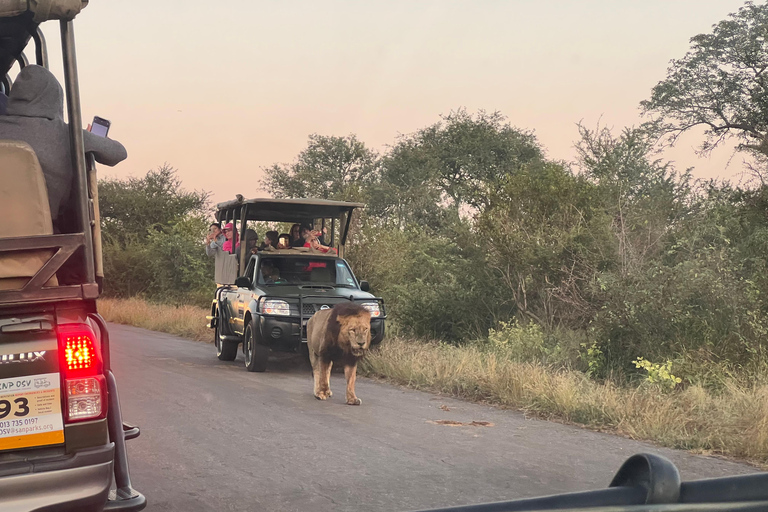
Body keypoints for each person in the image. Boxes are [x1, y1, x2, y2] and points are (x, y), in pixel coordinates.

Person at [0, 65, 127, 225]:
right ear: (55, 97)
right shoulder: (67, 133)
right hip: (45, 233)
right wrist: (91, 137)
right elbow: (119, 153)